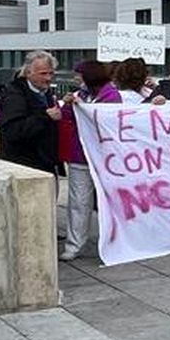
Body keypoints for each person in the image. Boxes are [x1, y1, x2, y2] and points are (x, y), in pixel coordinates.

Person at [58, 61, 121, 261]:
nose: (77, 80)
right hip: (80, 156)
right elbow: (67, 117)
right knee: (78, 202)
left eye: (79, 76)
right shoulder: (80, 95)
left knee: (108, 202)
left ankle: (113, 242)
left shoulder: (111, 96)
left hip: (104, 158)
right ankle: (74, 244)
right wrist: (69, 105)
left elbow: (109, 121)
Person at [0, 51, 62, 174]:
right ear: (28, 73)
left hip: (44, 165)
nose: (48, 78)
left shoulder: (45, 92)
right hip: (23, 167)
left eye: (51, 73)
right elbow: (11, 131)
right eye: (43, 74)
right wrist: (45, 116)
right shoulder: (14, 95)